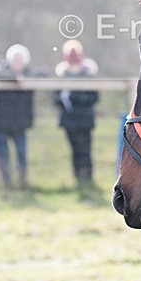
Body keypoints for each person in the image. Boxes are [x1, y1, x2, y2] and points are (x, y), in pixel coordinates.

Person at [0, 44, 37, 188]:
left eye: (20, 60)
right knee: (3, 154)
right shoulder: (0, 71)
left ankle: (23, 181)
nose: (17, 63)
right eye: (15, 60)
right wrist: (15, 79)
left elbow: (42, 75)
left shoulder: (30, 73)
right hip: (1, 121)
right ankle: (6, 181)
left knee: (21, 153)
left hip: (20, 122)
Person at [55, 40, 99, 186]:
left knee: (86, 149)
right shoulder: (62, 74)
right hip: (69, 119)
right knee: (74, 149)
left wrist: (76, 97)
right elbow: (56, 97)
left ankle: (88, 178)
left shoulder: (88, 74)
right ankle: (78, 179)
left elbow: (94, 97)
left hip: (85, 118)